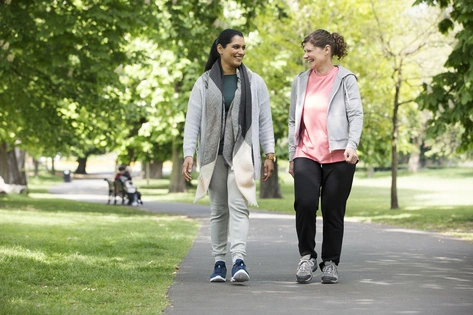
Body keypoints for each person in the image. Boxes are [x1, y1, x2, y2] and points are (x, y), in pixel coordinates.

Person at [182, 29, 275, 283]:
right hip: (212, 154)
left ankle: (238, 261)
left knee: (239, 206)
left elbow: (264, 120)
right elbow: (193, 121)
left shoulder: (254, 82)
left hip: (242, 151)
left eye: (244, 47)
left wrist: (270, 153)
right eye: (236, 47)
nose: (241, 52)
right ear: (220, 49)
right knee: (219, 209)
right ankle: (219, 263)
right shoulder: (203, 83)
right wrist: (188, 153)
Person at [288, 29, 363, 284]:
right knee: (305, 204)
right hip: (306, 152)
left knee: (333, 211)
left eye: (309, 50)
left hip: (340, 155)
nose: (305, 55)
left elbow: (356, 115)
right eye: (305, 51)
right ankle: (307, 256)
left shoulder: (345, 79)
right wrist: (291, 155)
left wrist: (352, 144)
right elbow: (292, 120)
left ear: (326, 50)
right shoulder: (300, 81)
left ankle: (330, 262)